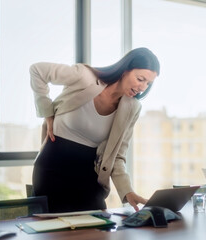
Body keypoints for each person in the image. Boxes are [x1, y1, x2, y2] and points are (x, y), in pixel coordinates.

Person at [30, 47, 160, 213]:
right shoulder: (85, 77)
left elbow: (118, 155)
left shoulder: (132, 107)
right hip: (52, 168)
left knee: (98, 229)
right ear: (125, 70)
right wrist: (47, 112)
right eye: (140, 79)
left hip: (88, 174)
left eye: (148, 83)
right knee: (55, 232)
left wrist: (128, 191)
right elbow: (37, 71)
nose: (143, 87)